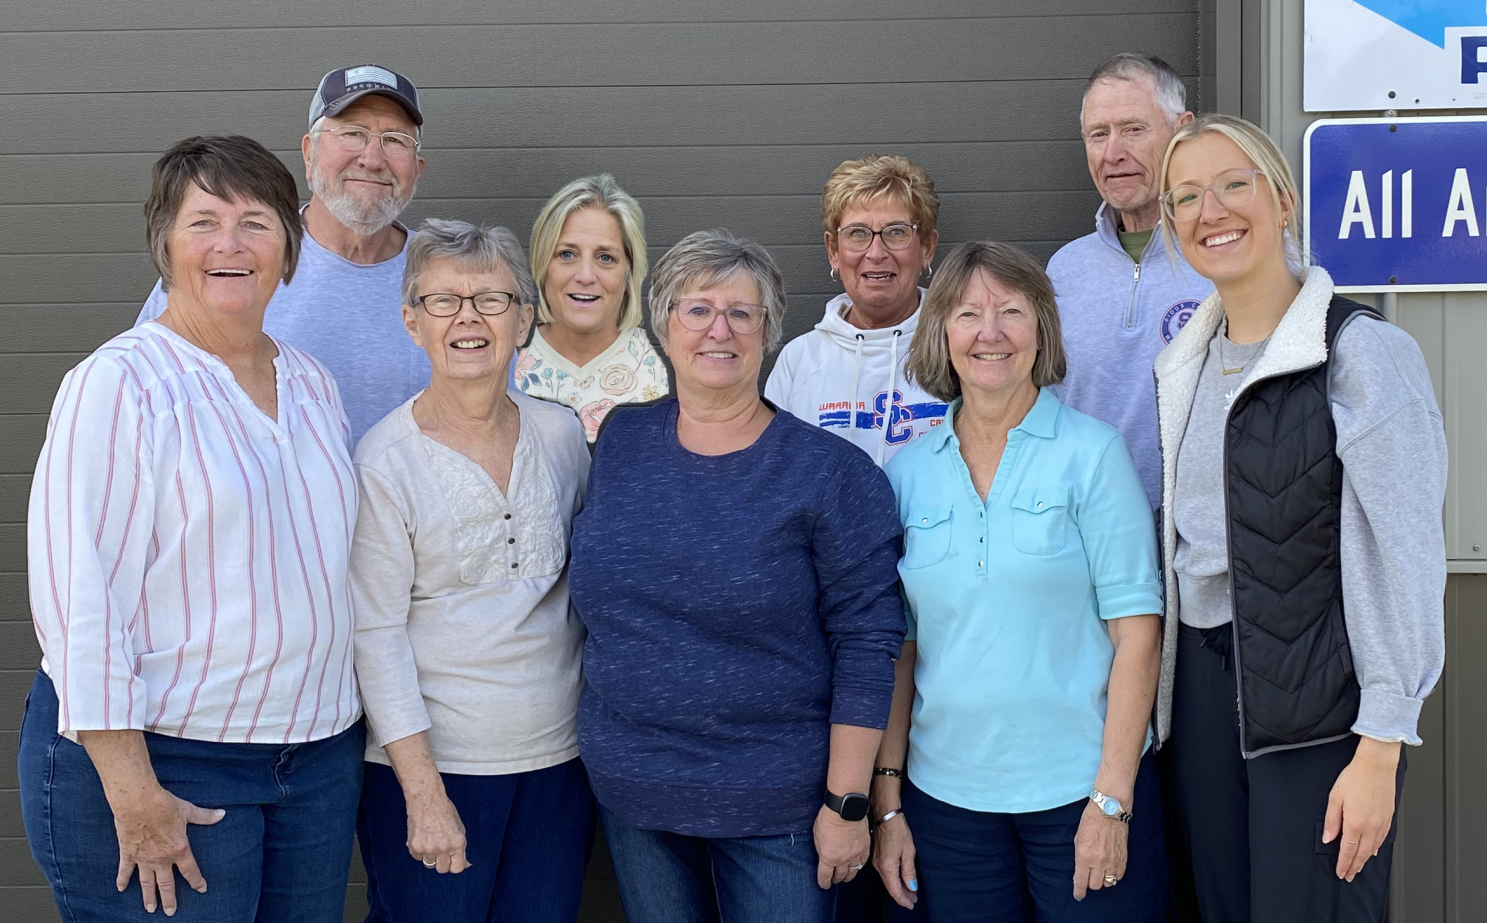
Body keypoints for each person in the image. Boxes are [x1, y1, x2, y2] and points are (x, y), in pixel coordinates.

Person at [20, 135, 363, 922]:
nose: (231, 244)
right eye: (204, 221)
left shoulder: (312, 382)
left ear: (289, 247)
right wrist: (132, 789)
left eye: (256, 222)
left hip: (313, 762)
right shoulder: (119, 383)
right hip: (165, 759)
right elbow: (80, 598)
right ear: (165, 246)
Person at [1152, 114, 1446, 923]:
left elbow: (1406, 554)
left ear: (1282, 200)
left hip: (1319, 706)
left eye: (1232, 184)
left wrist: (1381, 741)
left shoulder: (1359, 352)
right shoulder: (1182, 367)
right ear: (1173, 229)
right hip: (1205, 703)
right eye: (1185, 197)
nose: (1210, 209)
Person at [570, 229, 906, 923]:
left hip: (776, 804)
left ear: (767, 331)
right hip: (635, 793)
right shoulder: (621, 442)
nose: (717, 329)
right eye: (697, 309)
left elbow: (868, 643)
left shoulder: (829, 473)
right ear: (663, 325)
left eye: (740, 312)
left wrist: (848, 802)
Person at [872, 240, 1167, 923]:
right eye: (968, 313)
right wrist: (887, 800)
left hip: (1079, 791)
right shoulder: (907, 473)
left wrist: (1111, 798)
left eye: (1011, 311)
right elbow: (899, 649)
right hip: (945, 802)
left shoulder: (1091, 455)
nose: (990, 332)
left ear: (1041, 329)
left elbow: (1137, 634)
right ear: (940, 330)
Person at [350, 219, 593, 923]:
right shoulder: (383, 461)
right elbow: (376, 634)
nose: (468, 318)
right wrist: (422, 792)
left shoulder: (560, 434)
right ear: (410, 321)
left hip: (557, 761)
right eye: (442, 300)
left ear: (523, 319)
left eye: (491, 299)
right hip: (435, 768)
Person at [139, 64, 431, 442]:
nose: (372, 158)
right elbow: (146, 386)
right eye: (353, 133)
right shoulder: (238, 260)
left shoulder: (448, 274)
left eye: (394, 140)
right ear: (309, 152)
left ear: (418, 167)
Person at [1046, 53, 1211, 509]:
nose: (1112, 153)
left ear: (1181, 129)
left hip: (1204, 532)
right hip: (1086, 528)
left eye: (1133, 129)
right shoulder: (1063, 270)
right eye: (1098, 134)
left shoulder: (1228, 252)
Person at [766, 154, 946, 466]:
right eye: (857, 234)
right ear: (834, 251)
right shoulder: (799, 362)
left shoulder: (959, 345)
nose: (876, 253)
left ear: (927, 247)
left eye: (897, 232)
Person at [514, 174, 667, 441]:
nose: (586, 275)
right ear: (542, 266)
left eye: (605, 257)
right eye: (567, 254)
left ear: (629, 274)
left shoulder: (661, 368)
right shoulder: (507, 363)